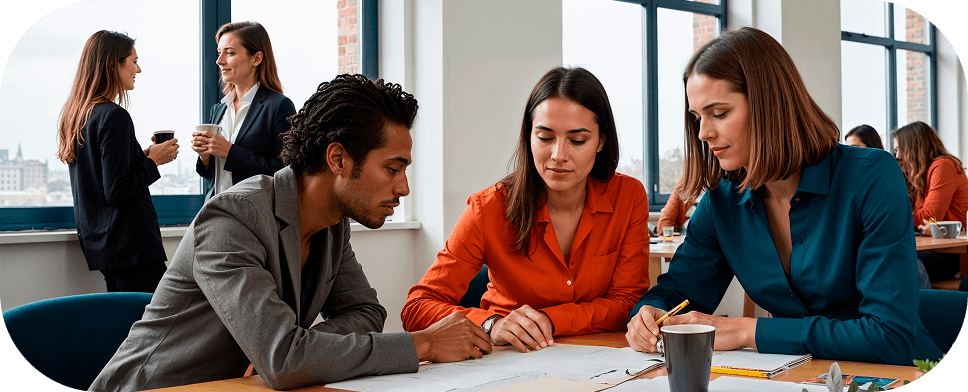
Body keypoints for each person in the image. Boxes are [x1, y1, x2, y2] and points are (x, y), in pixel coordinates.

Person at [91, 75, 492, 392]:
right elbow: (283, 361)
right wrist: (423, 343)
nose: (403, 188)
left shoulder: (331, 225)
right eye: (392, 168)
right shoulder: (232, 218)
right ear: (337, 158)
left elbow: (366, 312)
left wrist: (304, 349)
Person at [626, 27, 942, 366]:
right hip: (798, 378)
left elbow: (890, 335)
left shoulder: (872, 177)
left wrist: (748, 332)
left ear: (769, 106)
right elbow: (677, 292)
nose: (703, 133)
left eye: (719, 113)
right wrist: (649, 313)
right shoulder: (722, 202)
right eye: (697, 117)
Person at [401, 67, 650, 353]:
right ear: (529, 136)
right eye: (544, 138)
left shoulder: (628, 196)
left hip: (599, 355)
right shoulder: (488, 208)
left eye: (577, 140)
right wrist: (491, 324)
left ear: (601, 142)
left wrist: (550, 319)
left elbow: (628, 302)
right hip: (509, 360)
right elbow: (417, 308)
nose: (558, 155)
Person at [57, 31, 179, 293]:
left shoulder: (78, 114)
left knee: (128, 327)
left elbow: (103, 175)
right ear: (114, 64)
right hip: (131, 246)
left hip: (104, 245)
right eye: (133, 61)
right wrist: (153, 162)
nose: (139, 69)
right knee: (159, 327)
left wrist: (143, 155)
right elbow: (118, 190)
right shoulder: (114, 116)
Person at [192, 21, 296, 199]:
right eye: (219, 53)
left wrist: (229, 152)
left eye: (229, 53)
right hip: (215, 211)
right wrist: (205, 157)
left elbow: (288, 174)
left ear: (256, 58)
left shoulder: (279, 106)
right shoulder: (219, 109)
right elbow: (215, 177)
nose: (219, 61)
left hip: (252, 217)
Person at [893, 121, 968, 286]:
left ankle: (918, 310)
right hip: (936, 246)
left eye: (899, 149)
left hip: (952, 253)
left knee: (897, 266)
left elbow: (928, 216)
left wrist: (894, 213)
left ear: (913, 147)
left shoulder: (943, 166)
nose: (897, 156)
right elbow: (924, 219)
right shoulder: (921, 174)